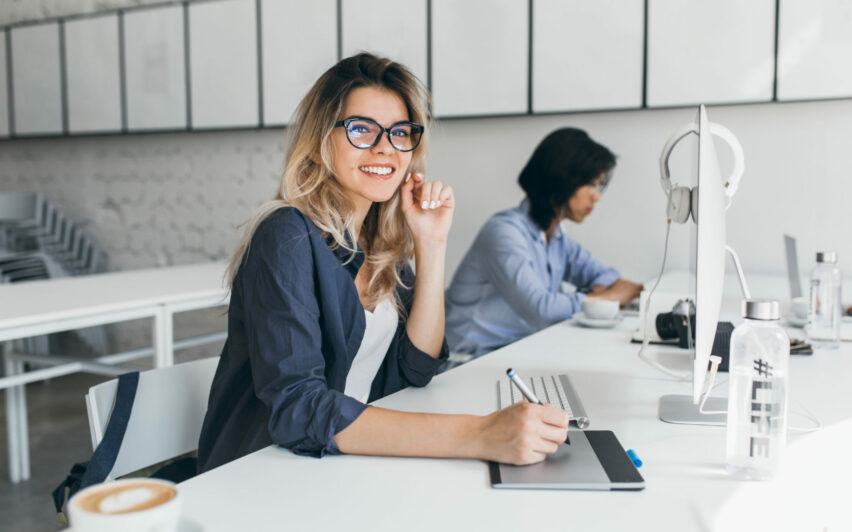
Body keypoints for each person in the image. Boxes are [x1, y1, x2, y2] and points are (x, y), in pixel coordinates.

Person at [197, 53, 568, 473]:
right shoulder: (287, 235)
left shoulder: (378, 238)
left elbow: (417, 367)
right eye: (361, 129)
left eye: (399, 133)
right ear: (319, 144)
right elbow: (298, 408)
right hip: (262, 473)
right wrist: (478, 434)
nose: (385, 148)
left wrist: (431, 243)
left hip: (339, 464)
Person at [445, 127, 643, 357]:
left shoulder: (556, 237)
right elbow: (542, 310)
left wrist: (604, 294)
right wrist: (607, 298)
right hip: (467, 361)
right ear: (562, 180)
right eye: (590, 184)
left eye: (599, 186)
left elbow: (607, 276)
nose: (596, 196)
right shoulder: (504, 233)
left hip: (515, 352)